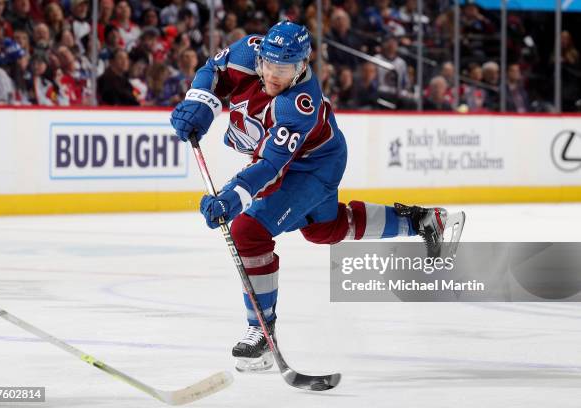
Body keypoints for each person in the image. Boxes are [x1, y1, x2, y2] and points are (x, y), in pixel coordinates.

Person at [169, 21, 457, 373]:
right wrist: (200, 103)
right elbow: (214, 71)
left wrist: (233, 197)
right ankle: (423, 220)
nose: (274, 75)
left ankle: (261, 332)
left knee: (248, 231)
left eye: (285, 69)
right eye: (269, 65)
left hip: (312, 167)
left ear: (302, 65)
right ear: (260, 56)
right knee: (324, 229)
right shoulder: (249, 50)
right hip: (311, 158)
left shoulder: (298, 105)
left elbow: (271, 166)